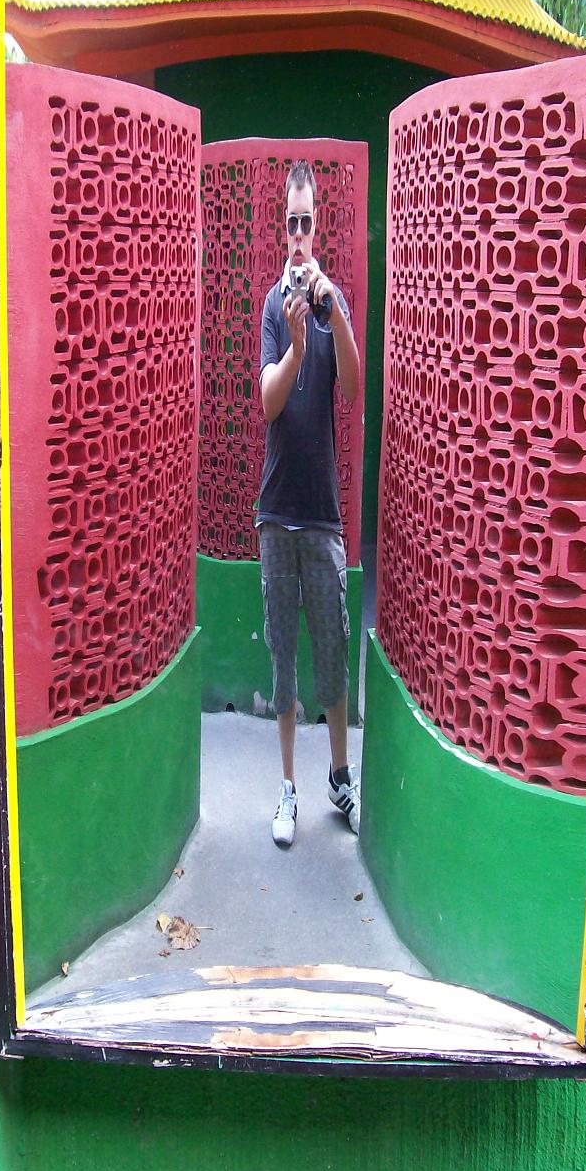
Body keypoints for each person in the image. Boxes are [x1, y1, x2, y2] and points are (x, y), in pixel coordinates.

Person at [257, 159, 362, 848]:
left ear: (317, 226)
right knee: (284, 660)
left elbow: (351, 387)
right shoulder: (275, 306)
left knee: (332, 649)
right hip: (276, 513)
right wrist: (296, 348)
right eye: (290, 223)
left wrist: (333, 315)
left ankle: (339, 776)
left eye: (307, 222)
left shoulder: (329, 302)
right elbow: (268, 402)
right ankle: (289, 787)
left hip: (322, 513)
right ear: (282, 227)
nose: (298, 236)